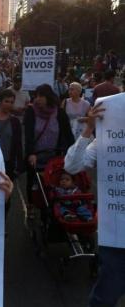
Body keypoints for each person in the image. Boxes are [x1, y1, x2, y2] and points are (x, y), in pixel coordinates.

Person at [64, 102, 125, 307]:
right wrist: (89, 128)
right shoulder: (107, 142)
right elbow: (72, 166)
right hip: (116, 234)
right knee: (105, 296)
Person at [24, 84, 74, 216]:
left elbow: (68, 135)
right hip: (35, 156)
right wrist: (31, 153)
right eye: (36, 96)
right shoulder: (31, 112)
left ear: (49, 97)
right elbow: (28, 134)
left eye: (41, 96)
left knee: (53, 182)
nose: (37, 99)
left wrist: (72, 153)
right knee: (33, 182)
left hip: (54, 156)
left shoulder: (59, 113)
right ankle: (31, 205)